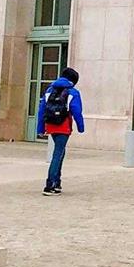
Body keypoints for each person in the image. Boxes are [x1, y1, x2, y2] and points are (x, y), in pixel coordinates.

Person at [36, 66, 84, 196]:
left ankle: (57, 182)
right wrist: (81, 127)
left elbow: (41, 110)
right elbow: (77, 111)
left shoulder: (49, 90)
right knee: (58, 153)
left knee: (60, 152)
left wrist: (40, 128)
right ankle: (50, 184)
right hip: (63, 126)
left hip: (51, 125)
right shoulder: (73, 92)